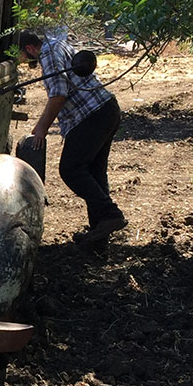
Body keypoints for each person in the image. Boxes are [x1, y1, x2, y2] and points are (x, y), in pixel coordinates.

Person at [16, 30, 126, 245]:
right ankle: (98, 236)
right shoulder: (56, 43)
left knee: (71, 170)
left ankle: (111, 215)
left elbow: (58, 95)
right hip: (107, 109)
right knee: (94, 173)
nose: (19, 60)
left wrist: (40, 129)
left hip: (91, 115)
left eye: (18, 55)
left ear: (29, 49)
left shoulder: (47, 55)